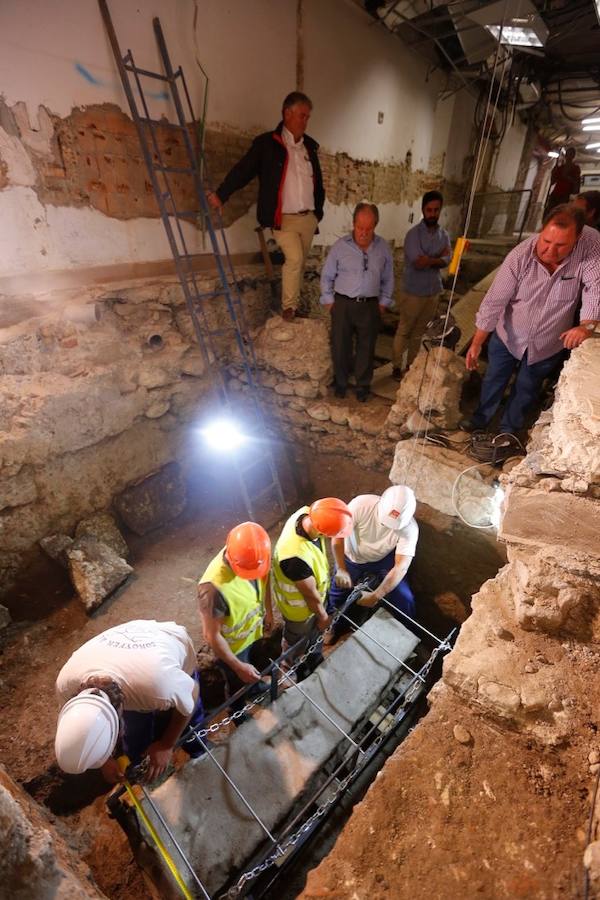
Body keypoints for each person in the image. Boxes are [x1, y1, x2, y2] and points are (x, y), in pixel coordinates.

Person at [460, 205, 600, 436]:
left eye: (561, 245)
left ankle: (507, 432)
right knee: (494, 378)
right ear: (542, 230)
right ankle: (480, 420)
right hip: (509, 335)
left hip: (548, 341)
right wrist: (476, 342)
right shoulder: (519, 256)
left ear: (577, 239)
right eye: (546, 241)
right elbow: (494, 301)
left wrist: (586, 326)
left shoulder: (590, 248)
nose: (550, 251)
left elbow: (595, 290)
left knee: (527, 388)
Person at [207, 92, 325, 321]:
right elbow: (243, 171)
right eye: (302, 115)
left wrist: (318, 213)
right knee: (295, 259)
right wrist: (222, 194)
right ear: (287, 113)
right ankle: (288, 307)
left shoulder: (309, 147)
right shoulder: (267, 145)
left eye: (307, 117)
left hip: (308, 218)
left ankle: (295, 304)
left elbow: (318, 182)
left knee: (300, 265)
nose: (305, 121)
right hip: (283, 219)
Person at [55, 620, 205, 783]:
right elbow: (82, 733)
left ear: (119, 715)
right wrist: (102, 760)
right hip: (123, 656)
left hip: (166, 640)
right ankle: (143, 769)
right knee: (135, 734)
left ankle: (200, 754)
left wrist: (167, 745)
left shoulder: (159, 687)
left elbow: (192, 693)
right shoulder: (65, 687)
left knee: (191, 725)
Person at [197, 522, 272, 717]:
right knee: (237, 681)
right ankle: (237, 711)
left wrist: (269, 612)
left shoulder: (256, 554)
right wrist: (238, 666)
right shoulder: (212, 589)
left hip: (253, 632)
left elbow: (264, 578)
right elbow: (211, 636)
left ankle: (254, 689)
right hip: (234, 649)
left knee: (253, 669)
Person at [320, 202, 394, 401]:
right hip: (342, 303)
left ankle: (363, 384)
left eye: (368, 229)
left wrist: (384, 302)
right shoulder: (340, 247)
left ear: (375, 226)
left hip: (370, 304)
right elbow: (327, 275)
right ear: (353, 224)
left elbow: (388, 277)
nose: (363, 232)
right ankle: (341, 382)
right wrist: (328, 300)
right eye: (360, 227)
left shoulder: (383, 248)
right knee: (340, 345)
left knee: (366, 346)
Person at [271, 497, 352, 675]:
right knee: (295, 640)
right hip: (298, 611)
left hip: (314, 599)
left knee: (315, 635)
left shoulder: (307, 514)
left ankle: (314, 658)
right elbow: (310, 596)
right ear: (323, 531)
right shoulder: (294, 557)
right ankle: (289, 670)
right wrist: (323, 616)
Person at [328, 486, 418, 628]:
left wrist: (376, 596)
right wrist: (341, 568)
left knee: (404, 598)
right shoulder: (360, 506)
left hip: (382, 560)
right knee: (338, 594)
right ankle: (336, 627)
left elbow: (401, 566)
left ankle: (409, 630)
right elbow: (338, 537)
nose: (389, 528)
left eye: (395, 526)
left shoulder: (410, 529)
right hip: (352, 557)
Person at [392, 190, 451, 381]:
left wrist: (430, 259)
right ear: (423, 210)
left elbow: (448, 260)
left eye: (436, 210)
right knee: (404, 330)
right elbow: (418, 262)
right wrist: (438, 258)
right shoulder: (413, 234)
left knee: (419, 333)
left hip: (432, 291)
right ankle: (395, 367)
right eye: (429, 210)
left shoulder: (444, 235)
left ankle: (409, 368)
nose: (432, 213)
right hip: (413, 292)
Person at [545, 148, 581, 214]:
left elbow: (576, 182)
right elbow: (553, 182)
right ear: (565, 155)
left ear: (573, 156)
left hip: (566, 195)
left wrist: (566, 177)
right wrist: (553, 173)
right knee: (549, 212)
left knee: (560, 213)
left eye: (571, 154)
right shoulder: (560, 168)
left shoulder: (576, 168)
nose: (569, 156)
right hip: (556, 193)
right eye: (567, 154)